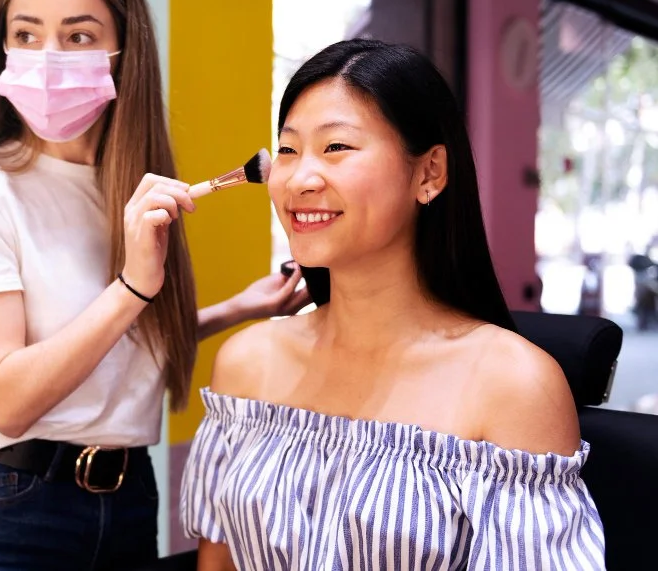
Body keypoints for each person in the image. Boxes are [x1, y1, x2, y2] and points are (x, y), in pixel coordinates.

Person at [0, 0, 309, 570]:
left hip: (130, 502)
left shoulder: (127, 186)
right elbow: (7, 400)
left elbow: (104, 355)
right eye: (26, 36)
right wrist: (133, 288)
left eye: (78, 36)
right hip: (11, 514)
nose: (47, 58)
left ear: (123, 53)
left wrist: (232, 310)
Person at [181, 39, 606, 570]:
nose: (300, 178)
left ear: (429, 173)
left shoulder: (513, 386)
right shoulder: (247, 363)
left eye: (336, 147)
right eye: (288, 151)